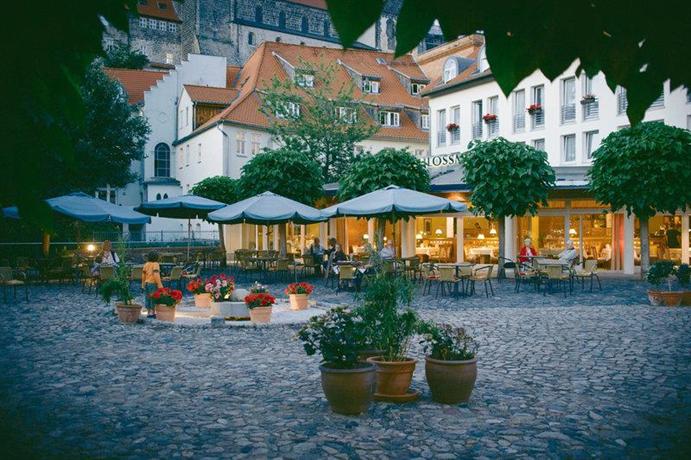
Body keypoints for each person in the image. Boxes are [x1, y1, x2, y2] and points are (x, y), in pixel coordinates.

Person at [142, 251, 163, 318]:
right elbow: (156, 274)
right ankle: (153, 313)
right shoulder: (156, 264)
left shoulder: (146, 264)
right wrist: (159, 284)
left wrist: (143, 284)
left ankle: (148, 313)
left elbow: (143, 275)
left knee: (147, 298)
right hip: (153, 283)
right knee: (153, 298)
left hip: (146, 283)